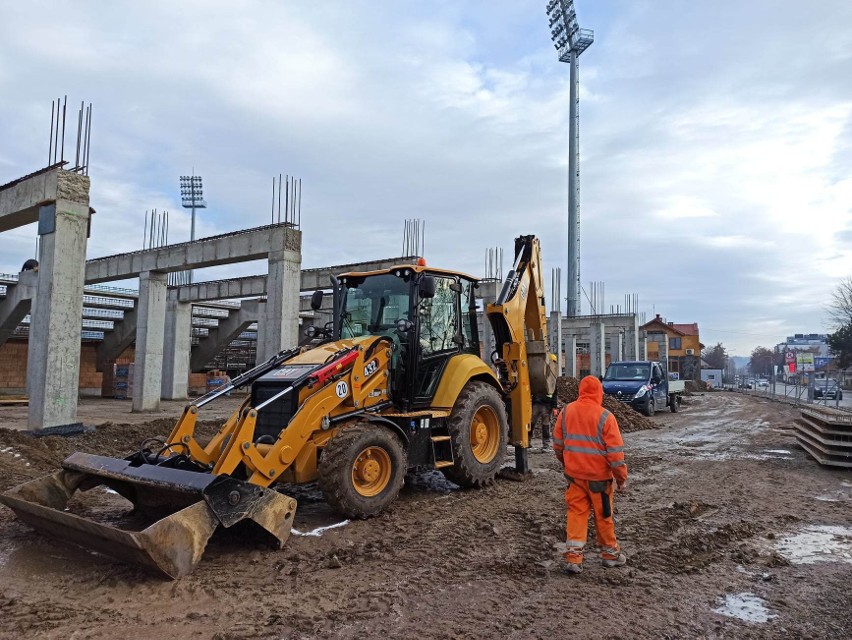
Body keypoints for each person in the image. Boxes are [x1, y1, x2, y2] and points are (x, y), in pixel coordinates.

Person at [552, 375, 628, 574]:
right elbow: (616, 456)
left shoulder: (566, 412)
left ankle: (574, 558)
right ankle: (610, 555)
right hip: (599, 480)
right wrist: (621, 480)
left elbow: (558, 445)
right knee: (603, 516)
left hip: (574, 477)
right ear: (599, 393)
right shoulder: (605, 417)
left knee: (576, 514)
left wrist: (567, 464)